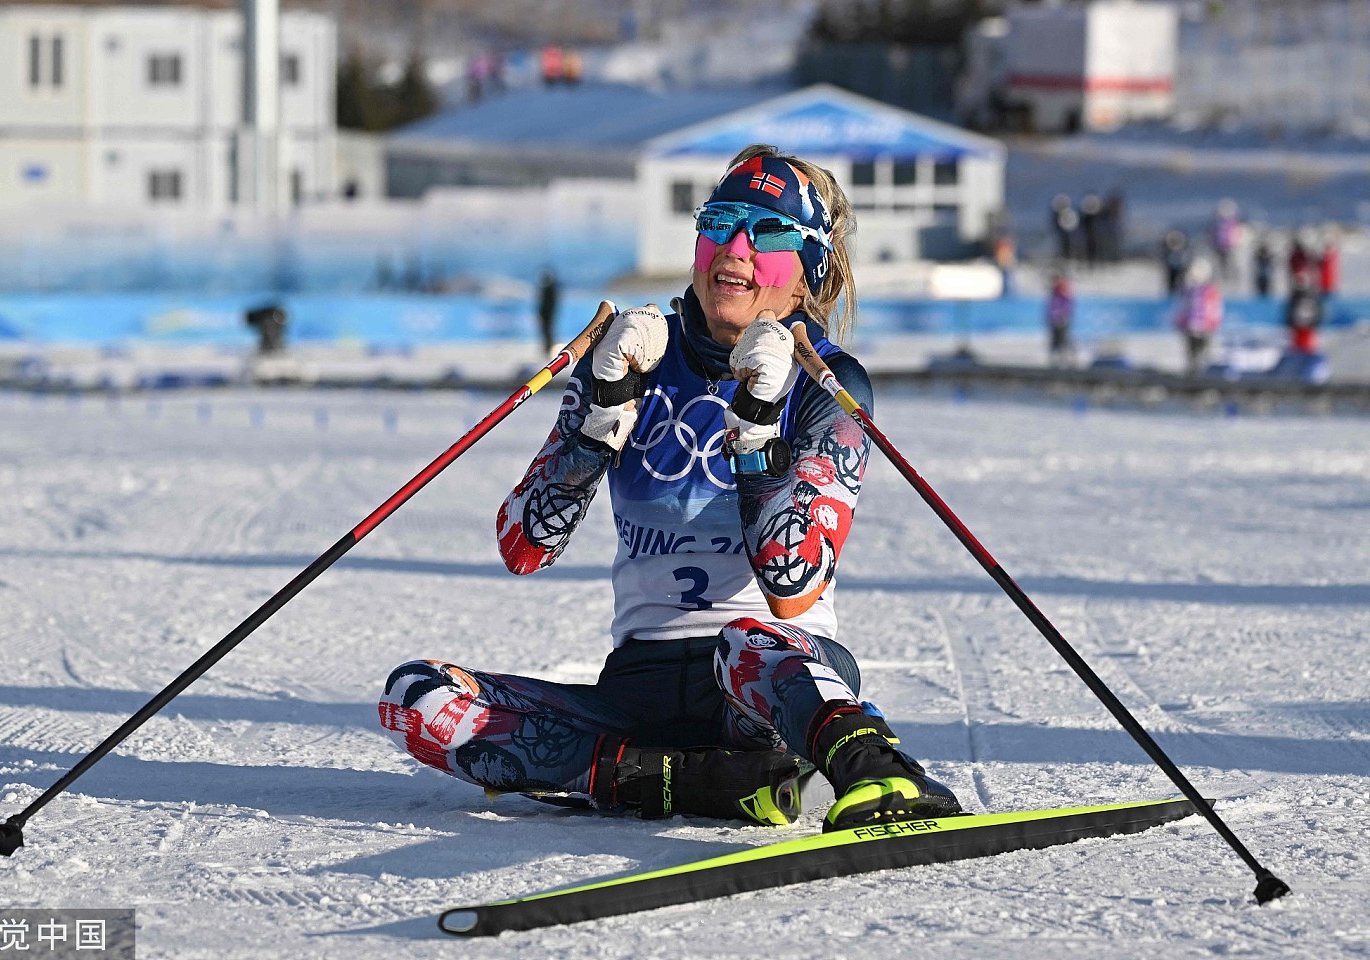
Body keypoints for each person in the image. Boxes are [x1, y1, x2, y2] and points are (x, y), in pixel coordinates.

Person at [379, 145, 963, 833]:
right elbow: (523, 547)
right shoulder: (633, 356)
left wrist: (753, 433)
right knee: (415, 697)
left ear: (810, 270)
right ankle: (691, 782)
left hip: (766, 685)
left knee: (749, 638)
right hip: (641, 686)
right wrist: (598, 418)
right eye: (720, 221)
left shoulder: (827, 382)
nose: (736, 248)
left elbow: (791, 583)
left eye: (769, 232)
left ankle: (877, 774)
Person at [1173, 258, 1222, 374]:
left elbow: (1215, 308)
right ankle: (1192, 372)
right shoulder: (1188, 290)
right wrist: (1181, 321)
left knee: (1202, 352)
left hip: (1205, 327)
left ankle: (1201, 373)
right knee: (1191, 353)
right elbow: (1183, 306)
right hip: (1190, 326)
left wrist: (1213, 322)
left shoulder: (1210, 291)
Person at [1284, 273, 1323, 354]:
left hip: (1308, 326)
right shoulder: (1295, 296)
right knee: (1298, 344)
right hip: (1298, 325)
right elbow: (1289, 309)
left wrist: (1315, 321)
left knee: (1308, 343)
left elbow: (1317, 308)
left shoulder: (1311, 294)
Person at [1046, 270, 1075, 367]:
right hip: (1055, 320)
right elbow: (1052, 306)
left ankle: (1067, 358)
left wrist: (1062, 316)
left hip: (1062, 319)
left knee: (1063, 339)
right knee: (1056, 340)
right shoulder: (1054, 292)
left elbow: (1065, 306)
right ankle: (1056, 359)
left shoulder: (1063, 291)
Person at [536, 268, 560, 356]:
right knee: (547, 333)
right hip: (547, 314)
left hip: (548, 315)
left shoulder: (549, 290)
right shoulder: (549, 289)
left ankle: (549, 349)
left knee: (548, 333)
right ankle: (547, 349)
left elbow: (549, 304)